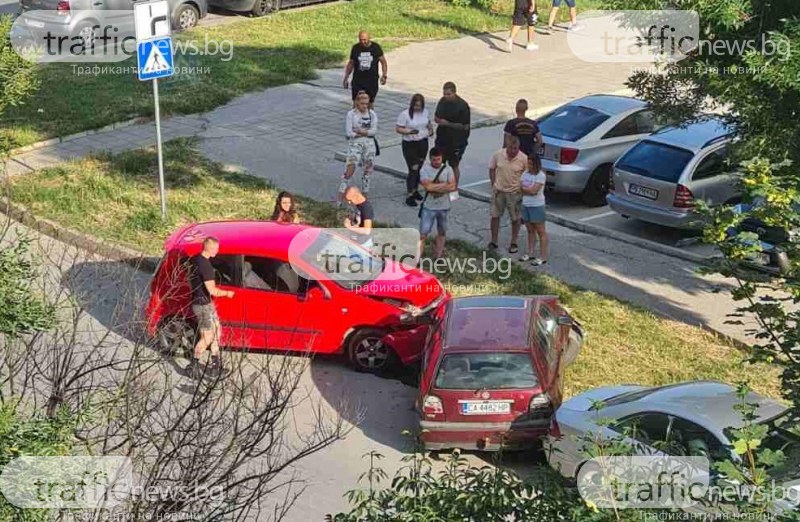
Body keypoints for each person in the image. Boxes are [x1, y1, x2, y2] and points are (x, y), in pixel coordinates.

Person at [187, 237, 235, 379]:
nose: (218, 251)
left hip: (205, 303)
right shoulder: (206, 267)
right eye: (216, 248)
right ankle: (193, 365)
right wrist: (227, 293)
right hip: (202, 306)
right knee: (206, 337)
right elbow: (212, 290)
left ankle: (215, 366)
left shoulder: (195, 259)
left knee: (217, 331)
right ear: (209, 248)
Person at [488, 135, 528, 253]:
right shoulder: (498, 154)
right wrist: (493, 183)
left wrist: (522, 190)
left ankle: (513, 242)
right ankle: (494, 241)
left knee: (515, 219)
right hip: (499, 192)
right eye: (510, 148)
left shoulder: (523, 159)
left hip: (514, 194)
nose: (512, 151)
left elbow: (527, 176)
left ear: (518, 148)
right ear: (506, 146)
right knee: (495, 216)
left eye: (515, 148)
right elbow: (491, 168)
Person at [418, 148, 457, 259]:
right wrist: (445, 185)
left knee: (442, 232)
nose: (437, 162)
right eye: (434, 160)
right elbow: (427, 187)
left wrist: (434, 188)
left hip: (444, 207)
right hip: (429, 207)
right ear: (430, 159)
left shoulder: (448, 169)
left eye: (439, 159)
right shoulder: (424, 170)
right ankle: (417, 257)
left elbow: (453, 186)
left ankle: (438, 256)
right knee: (422, 234)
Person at [396, 93, 433, 207]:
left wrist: (431, 130)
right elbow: (398, 128)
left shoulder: (425, 112)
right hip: (410, 144)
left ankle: (415, 189)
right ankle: (410, 194)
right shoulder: (405, 114)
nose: (418, 108)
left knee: (419, 168)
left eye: (420, 106)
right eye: (416, 105)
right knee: (413, 168)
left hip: (422, 142)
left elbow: (428, 123)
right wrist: (409, 132)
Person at [340, 92, 378, 203]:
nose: (365, 106)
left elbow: (374, 131)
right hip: (355, 145)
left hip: (369, 145)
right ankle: (340, 196)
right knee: (350, 170)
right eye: (362, 103)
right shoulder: (351, 114)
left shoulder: (372, 114)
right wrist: (365, 133)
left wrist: (361, 131)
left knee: (367, 172)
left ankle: (365, 197)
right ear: (356, 102)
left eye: (367, 104)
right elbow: (349, 133)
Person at [434, 81, 470, 186]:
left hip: (457, 141)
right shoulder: (442, 102)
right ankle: (440, 185)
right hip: (442, 138)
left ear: (454, 93)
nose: (446, 96)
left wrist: (448, 124)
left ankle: (454, 187)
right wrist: (437, 120)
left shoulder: (462, 106)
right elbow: (437, 116)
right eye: (444, 94)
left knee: (454, 164)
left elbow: (465, 126)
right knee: (439, 163)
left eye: (448, 94)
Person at [342, 30, 387, 109]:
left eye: (365, 40)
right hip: (358, 80)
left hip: (371, 81)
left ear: (369, 38)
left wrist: (384, 75)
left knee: (369, 103)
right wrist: (346, 77)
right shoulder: (355, 48)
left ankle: (370, 119)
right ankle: (355, 119)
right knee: (356, 102)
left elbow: (383, 62)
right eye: (361, 40)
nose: (363, 42)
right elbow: (351, 63)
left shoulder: (376, 47)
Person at [520, 153, 548, 265]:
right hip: (526, 204)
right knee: (530, 230)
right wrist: (527, 189)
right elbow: (520, 187)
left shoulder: (541, 175)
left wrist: (525, 189)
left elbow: (534, 191)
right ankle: (530, 252)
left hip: (537, 206)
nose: (529, 165)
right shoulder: (525, 173)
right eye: (528, 162)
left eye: (531, 163)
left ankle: (543, 256)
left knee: (541, 231)